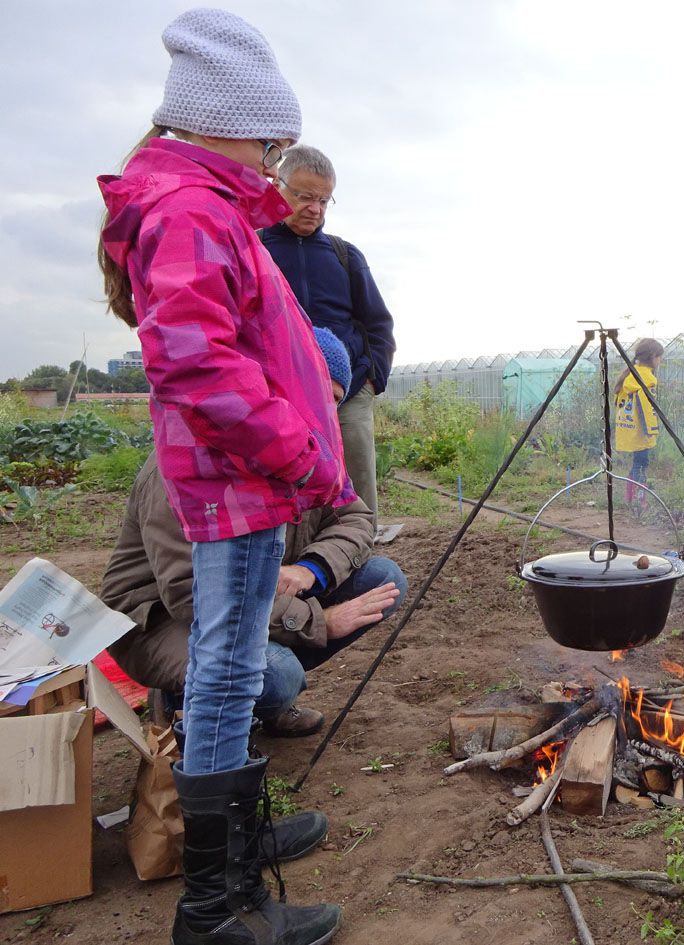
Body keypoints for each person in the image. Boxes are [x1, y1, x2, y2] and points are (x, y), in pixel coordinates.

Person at [97, 10, 346, 943]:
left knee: (232, 668)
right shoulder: (190, 211)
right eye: (269, 139)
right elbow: (197, 364)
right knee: (226, 666)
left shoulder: (202, 204)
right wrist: (296, 447)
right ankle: (216, 906)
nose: (274, 159)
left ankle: (235, 843)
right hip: (236, 479)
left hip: (238, 478)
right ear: (222, 120)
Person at [103, 328, 405, 741]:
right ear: (276, 384)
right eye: (313, 392)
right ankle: (181, 700)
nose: (321, 411)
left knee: (384, 579)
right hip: (161, 620)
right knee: (278, 674)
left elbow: (356, 519)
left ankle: (261, 699)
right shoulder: (192, 457)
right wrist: (319, 621)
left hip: (257, 598)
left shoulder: (311, 452)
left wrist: (310, 570)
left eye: (333, 401)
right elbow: (194, 594)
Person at [260, 145, 396, 534]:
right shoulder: (255, 247)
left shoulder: (344, 255)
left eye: (323, 199)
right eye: (304, 196)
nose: (314, 208)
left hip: (347, 393)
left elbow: (378, 325)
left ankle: (361, 547)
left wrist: (369, 381)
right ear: (278, 186)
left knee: (356, 477)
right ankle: (292, 554)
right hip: (277, 396)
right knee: (282, 479)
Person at [612, 338, 665, 504]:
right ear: (653, 356)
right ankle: (639, 501)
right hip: (640, 432)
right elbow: (647, 410)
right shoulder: (647, 379)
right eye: (659, 357)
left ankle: (629, 498)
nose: (660, 360)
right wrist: (652, 431)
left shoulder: (631, 374)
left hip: (629, 429)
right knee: (641, 464)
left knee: (637, 463)